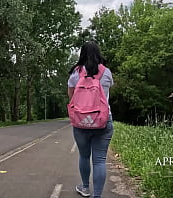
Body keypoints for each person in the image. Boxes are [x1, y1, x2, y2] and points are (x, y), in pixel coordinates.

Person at [67, 41, 114, 198]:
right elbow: (107, 94)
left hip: (81, 122)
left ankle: (85, 187)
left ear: (82, 54)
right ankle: (97, 196)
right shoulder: (106, 72)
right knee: (99, 160)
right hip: (103, 121)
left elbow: (71, 96)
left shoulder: (76, 72)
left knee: (84, 156)